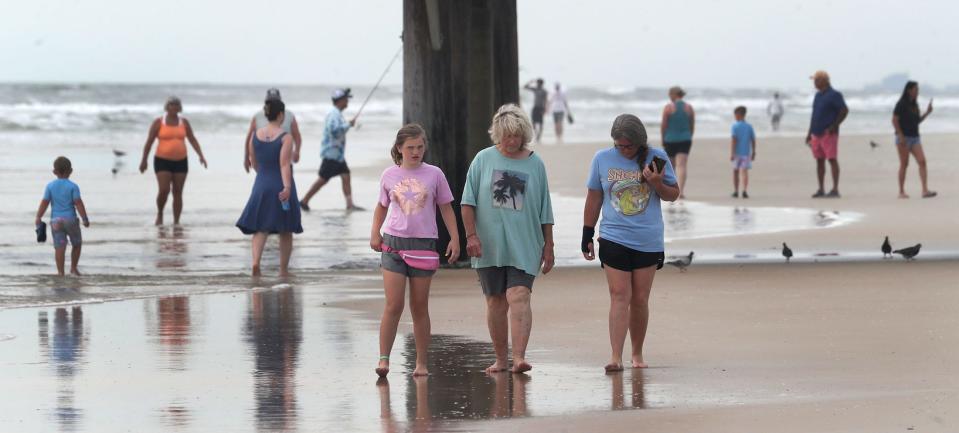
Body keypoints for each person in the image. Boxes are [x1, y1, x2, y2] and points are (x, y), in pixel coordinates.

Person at [582, 114, 679, 372]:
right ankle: (615, 356)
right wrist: (587, 233)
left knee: (640, 299)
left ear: (640, 142)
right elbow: (594, 196)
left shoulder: (657, 158)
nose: (624, 150)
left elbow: (673, 195)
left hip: (647, 238)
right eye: (619, 146)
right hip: (614, 236)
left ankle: (637, 354)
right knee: (619, 295)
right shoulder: (602, 159)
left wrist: (657, 183)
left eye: (629, 146)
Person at [462, 103, 555, 374]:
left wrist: (549, 245)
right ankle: (501, 359)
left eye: (516, 136)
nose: (512, 141)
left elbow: (544, 208)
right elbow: (467, 202)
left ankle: (519, 357)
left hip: (525, 243)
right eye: (507, 136)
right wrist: (471, 236)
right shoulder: (482, 159)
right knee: (495, 301)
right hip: (490, 245)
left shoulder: (535, 163)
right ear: (497, 134)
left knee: (519, 295)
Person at [370, 124, 461, 377]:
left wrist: (455, 238)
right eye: (410, 148)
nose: (416, 152)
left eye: (420, 147)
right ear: (399, 148)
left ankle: (421, 364)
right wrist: (374, 232)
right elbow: (381, 207)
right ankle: (383, 359)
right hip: (393, 244)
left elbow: (445, 208)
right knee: (393, 305)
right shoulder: (389, 175)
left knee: (419, 306)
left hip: (424, 245)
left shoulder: (435, 174)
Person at [236, 99, 303, 277]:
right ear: (280, 115)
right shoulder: (285, 137)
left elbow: (254, 162)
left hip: (261, 183)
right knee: (286, 229)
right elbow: (284, 165)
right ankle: (283, 270)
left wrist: (263, 176)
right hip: (280, 182)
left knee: (261, 228)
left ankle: (256, 262)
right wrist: (287, 187)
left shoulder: (255, 135)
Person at [138, 96, 208, 225]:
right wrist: (144, 160)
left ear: (179, 107)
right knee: (164, 190)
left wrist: (201, 155)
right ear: (167, 106)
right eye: (171, 104)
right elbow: (149, 142)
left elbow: (192, 139)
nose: (174, 107)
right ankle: (160, 214)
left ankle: (176, 222)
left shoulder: (184, 122)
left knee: (178, 191)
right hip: (162, 160)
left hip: (181, 161)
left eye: (176, 105)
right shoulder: (159, 122)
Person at [300, 88, 363, 211]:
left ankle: (350, 204)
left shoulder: (337, 114)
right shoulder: (333, 114)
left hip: (337, 155)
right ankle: (304, 200)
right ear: (340, 100)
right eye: (346, 99)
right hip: (331, 154)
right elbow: (334, 131)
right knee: (323, 179)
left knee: (345, 175)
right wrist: (348, 124)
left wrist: (348, 124)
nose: (347, 102)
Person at [35, 156, 90, 276]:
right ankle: (73, 268)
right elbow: (78, 203)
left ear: (54, 172)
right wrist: (85, 219)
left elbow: (45, 202)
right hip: (70, 220)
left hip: (56, 221)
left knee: (59, 247)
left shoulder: (50, 186)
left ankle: (60, 272)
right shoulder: (73, 186)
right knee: (77, 244)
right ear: (71, 171)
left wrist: (38, 217)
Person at [805, 70, 848, 198]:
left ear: (824, 80)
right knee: (819, 160)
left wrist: (834, 126)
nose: (815, 83)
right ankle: (821, 189)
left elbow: (844, 110)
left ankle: (835, 189)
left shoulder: (835, 95)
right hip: (816, 133)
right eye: (814, 80)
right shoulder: (818, 96)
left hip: (828, 133)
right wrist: (809, 133)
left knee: (832, 159)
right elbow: (814, 115)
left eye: (816, 80)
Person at [892, 81, 936, 199]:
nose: (918, 91)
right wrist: (901, 136)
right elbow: (894, 120)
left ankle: (925, 190)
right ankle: (901, 191)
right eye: (916, 89)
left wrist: (927, 112)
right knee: (904, 164)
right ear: (909, 90)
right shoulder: (901, 104)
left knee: (922, 161)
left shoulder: (915, 105)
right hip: (903, 138)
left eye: (918, 89)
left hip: (915, 137)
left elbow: (917, 121)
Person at [244, 88, 303, 173]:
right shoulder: (257, 117)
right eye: (270, 101)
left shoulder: (289, 116)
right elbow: (250, 139)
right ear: (266, 102)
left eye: (275, 101)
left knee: (286, 184)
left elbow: (297, 136)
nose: (272, 104)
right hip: (264, 163)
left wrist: (297, 151)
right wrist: (246, 158)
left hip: (286, 161)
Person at [660, 86, 695, 199]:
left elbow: (664, 125)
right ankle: (681, 191)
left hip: (670, 139)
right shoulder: (689, 108)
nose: (669, 97)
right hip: (685, 139)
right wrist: (689, 136)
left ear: (674, 94)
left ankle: (673, 189)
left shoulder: (668, 108)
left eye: (670, 94)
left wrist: (663, 138)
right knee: (682, 165)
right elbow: (692, 125)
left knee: (671, 166)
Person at [730, 106, 757, 198]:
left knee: (736, 171)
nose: (735, 117)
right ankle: (744, 190)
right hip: (746, 152)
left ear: (739, 115)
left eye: (735, 115)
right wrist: (754, 152)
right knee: (744, 172)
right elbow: (753, 140)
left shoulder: (735, 126)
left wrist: (732, 153)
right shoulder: (749, 126)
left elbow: (734, 140)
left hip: (737, 153)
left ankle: (736, 191)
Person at [523, 79, 548, 143]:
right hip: (535, 108)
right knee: (533, 122)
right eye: (537, 83)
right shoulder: (535, 89)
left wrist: (545, 109)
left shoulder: (544, 91)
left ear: (541, 84)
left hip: (541, 108)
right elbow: (525, 87)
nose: (538, 84)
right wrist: (530, 82)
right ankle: (536, 134)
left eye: (539, 83)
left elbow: (545, 100)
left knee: (541, 123)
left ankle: (539, 136)